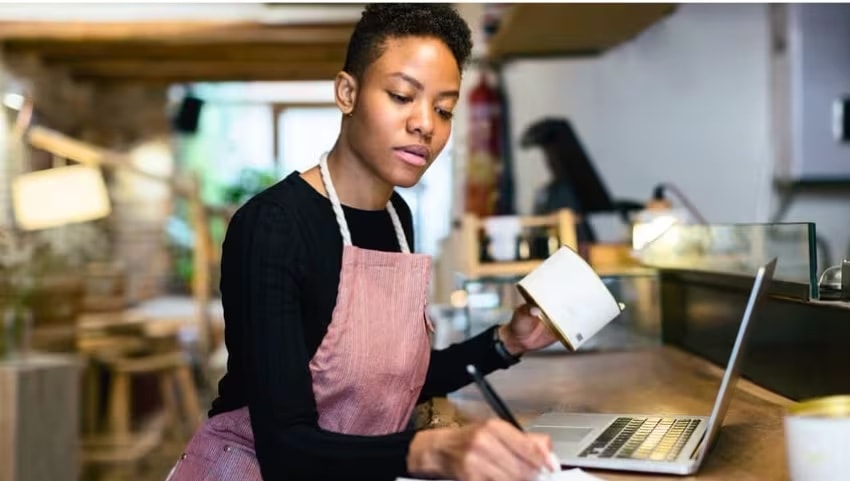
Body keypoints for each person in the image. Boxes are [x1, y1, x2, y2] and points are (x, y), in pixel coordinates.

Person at [167, 4, 560, 481]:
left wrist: (506, 342)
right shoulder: (272, 227)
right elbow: (285, 445)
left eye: (444, 109)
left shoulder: (397, 217)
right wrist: (431, 452)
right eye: (401, 96)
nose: (425, 125)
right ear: (347, 92)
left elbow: (386, 386)